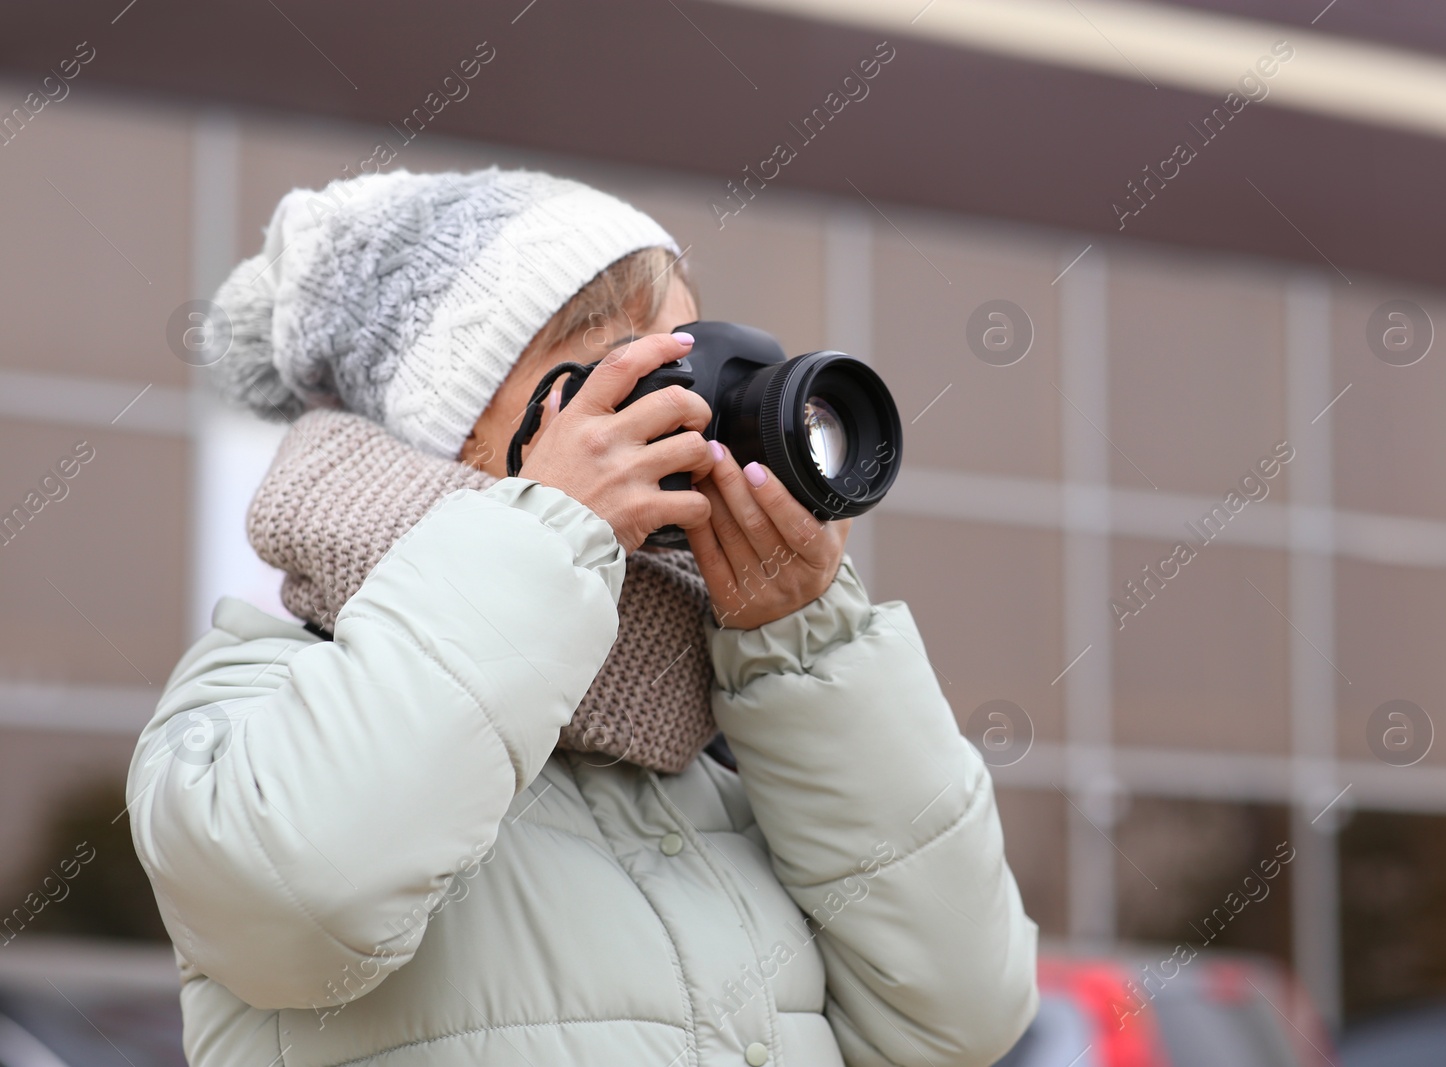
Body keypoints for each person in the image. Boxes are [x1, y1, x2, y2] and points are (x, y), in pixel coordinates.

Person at [128, 167, 1038, 1067]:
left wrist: (802, 644)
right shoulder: (260, 690)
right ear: (445, 420)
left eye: (684, 349)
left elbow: (961, 1017)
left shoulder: (723, 751)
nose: (682, 398)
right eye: (619, 360)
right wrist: (550, 533)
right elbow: (302, 903)